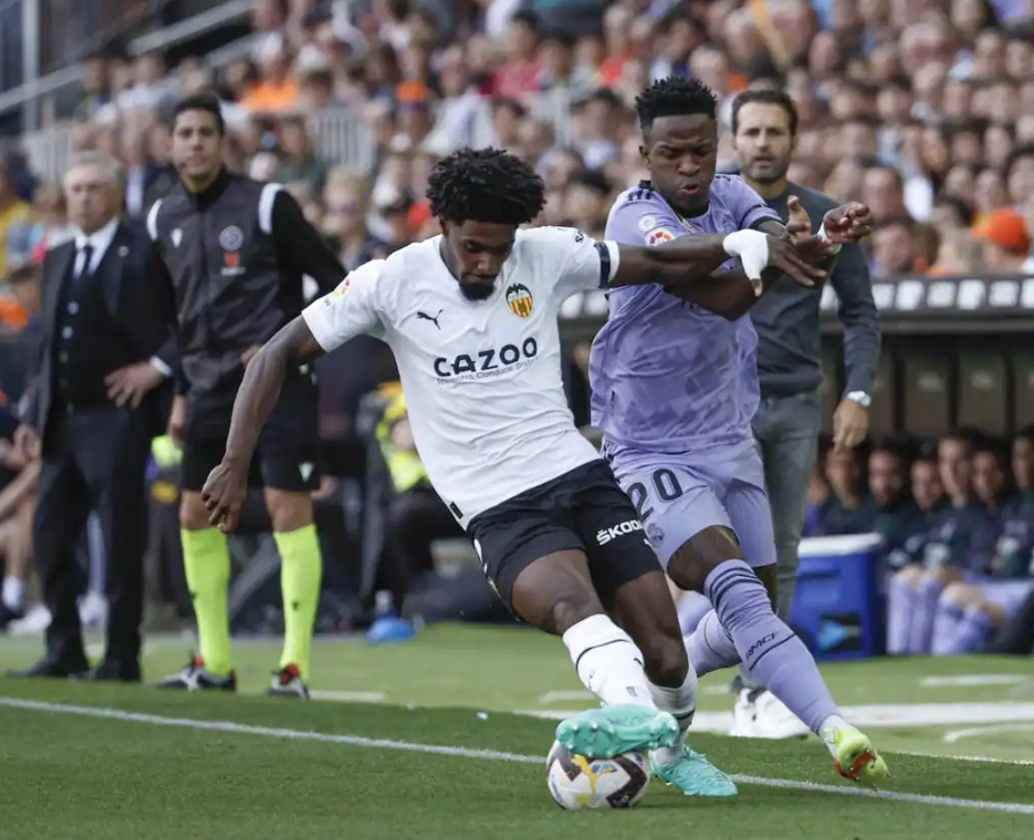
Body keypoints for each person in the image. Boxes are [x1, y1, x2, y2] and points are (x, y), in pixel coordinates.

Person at [198, 147, 819, 795]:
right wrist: (234, 462)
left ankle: (667, 748)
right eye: (474, 248)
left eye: (500, 248)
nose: (488, 263)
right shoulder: (389, 282)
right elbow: (274, 355)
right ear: (442, 223)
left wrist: (740, 239)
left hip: (579, 476)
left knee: (665, 645)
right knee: (576, 605)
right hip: (498, 504)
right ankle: (635, 717)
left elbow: (659, 261)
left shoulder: (543, 254)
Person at [590, 76, 888, 786]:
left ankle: (651, 701)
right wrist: (773, 259)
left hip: (730, 438)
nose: (689, 167)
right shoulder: (635, 218)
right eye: (673, 154)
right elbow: (719, 294)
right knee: (738, 587)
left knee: (743, 617)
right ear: (646, 153)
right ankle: (836, 728)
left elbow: (772, 235)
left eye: (700, 150)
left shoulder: (733, 194)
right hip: (650, 447)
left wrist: (814, 243)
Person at [146, 93, 346, 698]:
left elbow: (336, 278)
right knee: (192, 511)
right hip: (205, 386)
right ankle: (214, 661)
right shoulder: (162, 218)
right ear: (171, 144)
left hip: (277, 380)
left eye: (206, 132)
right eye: (185, 133)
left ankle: (294, 668)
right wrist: (181, 393)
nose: (196, 142)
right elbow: (175, 315)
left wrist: (290, 347)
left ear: (222, 140)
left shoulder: (266, 204)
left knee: (289, 506)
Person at [729, 87, 881, 735]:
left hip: (792, 403)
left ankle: (754, 684)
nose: (762, 142)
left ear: (793, 140)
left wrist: (859, 391)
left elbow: (860, 313)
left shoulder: (826, 216)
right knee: (716, 547)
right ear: (734, 140)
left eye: (774, 132)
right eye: (752, 131)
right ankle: (680, 667)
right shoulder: (709, 210)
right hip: (716, 407)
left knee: (780, 550)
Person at [6, 151, 176, 682]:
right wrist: (34, 412)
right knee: (51, 537)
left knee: (121, 537)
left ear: (115, 193)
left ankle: (122, 655)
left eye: (94, 188)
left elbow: (184, 319)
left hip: (116, 418)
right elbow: (45, 345)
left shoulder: (143, 252)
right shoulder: (56, 256)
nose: (83, 197)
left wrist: (155, 367)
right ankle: (66, 649)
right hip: (63, 422)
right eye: (75, 188)